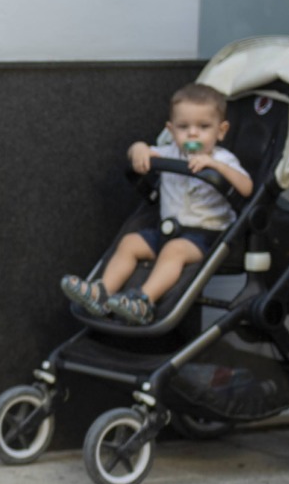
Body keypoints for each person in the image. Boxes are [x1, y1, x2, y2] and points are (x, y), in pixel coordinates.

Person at [60, 84, 253, 325]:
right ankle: (102, 293)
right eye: (183, 127)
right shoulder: (169, 153)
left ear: (221, 131)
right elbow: (138, 152)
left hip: (205, 237)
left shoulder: (222, 158)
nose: (193, 134)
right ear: (171, 130)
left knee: (174, 251)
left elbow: (247, 188)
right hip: (166, 230)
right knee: (130, 242)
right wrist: (139, 149)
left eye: (204, 127)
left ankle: (144, 301)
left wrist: (216, 167)